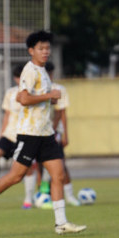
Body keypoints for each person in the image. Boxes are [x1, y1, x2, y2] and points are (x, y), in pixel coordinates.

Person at [0, 30, 86, 235]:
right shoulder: (30, 70)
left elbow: (36, 98)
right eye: (41, 48)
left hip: (46, 133)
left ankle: (61, 223)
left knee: (58, 174)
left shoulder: (42, 72)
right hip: (29, 134)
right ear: (31, 50)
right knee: (16, 176)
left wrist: (49, 98)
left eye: (47, 48)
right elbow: (23, 99)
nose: (45, 52)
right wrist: (49, 95)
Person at [36, 62, 81, 206]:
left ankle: (69, 195)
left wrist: (63, 134)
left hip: (54, 133)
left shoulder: (58, 89)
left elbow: (61, 113)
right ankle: (42, 194)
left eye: (50, 73)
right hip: (37, 132)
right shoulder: (36, 89)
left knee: (60, 163)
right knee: (40, 164)